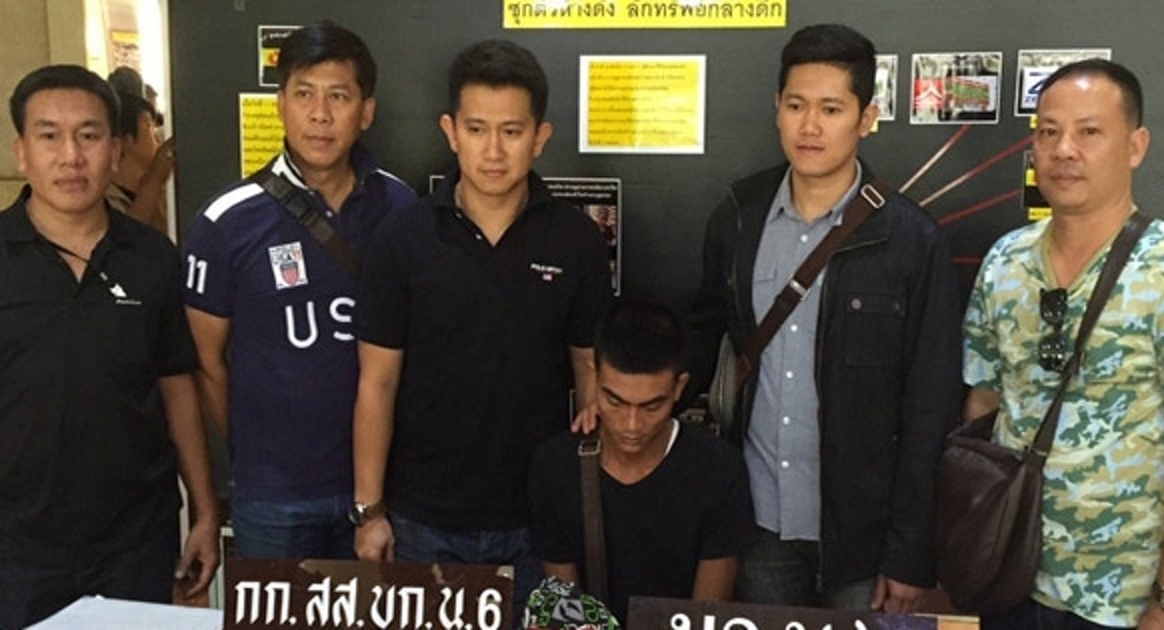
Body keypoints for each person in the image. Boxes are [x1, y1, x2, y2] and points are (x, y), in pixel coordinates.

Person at [683, 24, 960, 611]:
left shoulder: (911, 239)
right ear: (777, 109)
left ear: (866, 118)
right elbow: (703, 337)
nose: (810, 126)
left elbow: (930, 406)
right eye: (796, 105)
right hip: (758, 523)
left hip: (865, 539)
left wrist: (910, 552)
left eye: (831, 109)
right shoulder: (737, 217)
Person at [351, 38, 611, 611]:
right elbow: (377, 382)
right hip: (422, 519)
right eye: (476, 129)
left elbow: (589, 366)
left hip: (538, 521)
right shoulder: (403, 238)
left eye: (511, 131)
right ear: (450, 131)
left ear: (539, 137)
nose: (493, 150)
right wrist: (369, 512)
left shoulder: (575, 240)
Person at [963, 59, 1164, 630]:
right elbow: (983, 407)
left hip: (1124, 601)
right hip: (1008, 581)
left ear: (1135, 146)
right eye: (1048, 132)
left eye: (1089, 132)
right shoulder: (1005, 262)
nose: (1064, 150)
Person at [182, 22, 417, 560]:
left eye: (339, 97)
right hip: (274, 495)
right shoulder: (226, 222)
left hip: (385, 489)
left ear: (366, 112)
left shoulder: (401, 209)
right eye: (304, 95)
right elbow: (207, 361)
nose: (320, 115)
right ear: (280, 106)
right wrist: (257, 451)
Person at [0, 64, 218, 628]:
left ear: (116, 152)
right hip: (17, 547)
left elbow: (176, 388)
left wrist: (204, 510)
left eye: (89, 136)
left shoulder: (153, 257)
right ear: (22, 151)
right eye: (50, 136)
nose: (71, 156)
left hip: (135, 540)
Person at [528, 299, 755, 624]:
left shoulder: (718, 470)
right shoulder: (556, 468)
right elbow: (564, 610)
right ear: (594, 376)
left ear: (679, 387)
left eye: (651, 407)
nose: (631, 425)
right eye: (615, 402)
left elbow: (706, 615)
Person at [106, 88, 173, 234]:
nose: (157, 137)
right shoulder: (103, 198)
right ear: (125, 139)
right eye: (148, 125)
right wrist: (156, 177)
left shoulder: (167, 191)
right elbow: (126, 237)